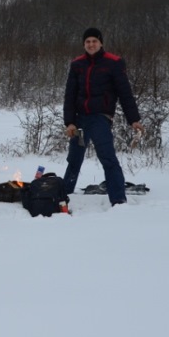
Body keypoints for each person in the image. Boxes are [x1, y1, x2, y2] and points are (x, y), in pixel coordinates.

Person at [62, 27, 144, 206]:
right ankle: (63, 195)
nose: (91, 45)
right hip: (80, 120)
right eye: (87, 42)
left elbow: (125, 93)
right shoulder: (77, 64)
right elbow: (70, 95)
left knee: (108, 158)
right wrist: (69, 122)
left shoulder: (113, 62)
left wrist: (134, 119)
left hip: (100, 118)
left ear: (101, 43)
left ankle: (118, 200)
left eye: (94, 41)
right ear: (84, 44)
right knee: (74, 158)